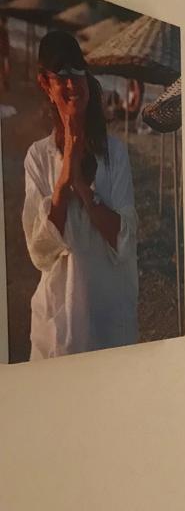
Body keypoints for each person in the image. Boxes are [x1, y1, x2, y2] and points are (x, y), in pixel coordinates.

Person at [22, 30, 138, 359]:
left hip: (109, 320)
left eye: (78, 72)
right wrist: (64, 177)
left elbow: (125, 240)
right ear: (45, 83)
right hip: (57, 328)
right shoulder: (37, 157)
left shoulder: (115, 154)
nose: (72, 84)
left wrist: (86, 193)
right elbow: (40, 251)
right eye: (62, 76)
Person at [0, 16, 10, 92]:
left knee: (4, 69)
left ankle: (3, 84)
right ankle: (3, 84)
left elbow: (6, 43)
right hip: (3, 53)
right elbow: (5, 43)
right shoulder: (3, 31)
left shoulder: (4, 31)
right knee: (3, 69)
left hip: (3, 53)